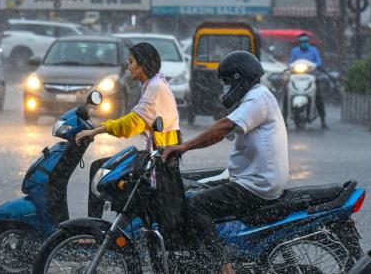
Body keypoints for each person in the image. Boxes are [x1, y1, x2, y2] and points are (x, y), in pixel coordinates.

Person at [162, 51, 289, 274]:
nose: (224, 89)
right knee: (193, 186)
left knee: (194, 206)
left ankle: (222, 265)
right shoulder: (256, 98)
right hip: (250, 178)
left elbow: (222, 129)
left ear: (240, 80)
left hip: (255, 186)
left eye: (227, 83)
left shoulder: (258, 99)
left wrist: (184, 147)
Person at [75, 42, 188, 249]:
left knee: (101, 169)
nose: (128, 67)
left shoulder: (155, 88)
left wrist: (95, 130)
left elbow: (131, 124)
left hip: (161, 159)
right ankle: (114, 232)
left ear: (142, 65)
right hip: (157, 155)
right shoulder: (153, 84)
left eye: (131, 62)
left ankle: (97, 231)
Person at [287, 33, 328, 129]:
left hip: (311, 76)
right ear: (298, 42)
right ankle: (284, 119)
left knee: (319, 96)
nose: (304, 43)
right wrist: (290, 67)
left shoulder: (314, 50)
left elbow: (318, 62)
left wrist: (314, 66)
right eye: (301, 42)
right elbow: (290, 62)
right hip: (296, 77)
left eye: (305, 41)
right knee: (286, 93)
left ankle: (323, 121)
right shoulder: (294, 51)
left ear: (308, 42)